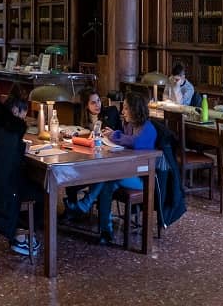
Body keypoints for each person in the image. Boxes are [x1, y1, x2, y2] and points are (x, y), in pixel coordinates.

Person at [64, 90, 156, 243]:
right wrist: (118, 135)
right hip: (125, 171)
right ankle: (105, 231)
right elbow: (126, 139)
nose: (123, 111)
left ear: (135, 109)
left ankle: (87, 207)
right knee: (107, 181)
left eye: (126, 108)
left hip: (142, 177)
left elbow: (135, 143)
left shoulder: (148, 128)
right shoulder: (129, 126)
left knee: (108, 177)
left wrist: (116, 136)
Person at [0, 93, 44, 256]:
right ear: (14, 110)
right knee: (42, 192)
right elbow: (11, 160)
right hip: (5, 192)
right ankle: (23, 235)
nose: (23, 119)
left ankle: (23, 231)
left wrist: (20, 147)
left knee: (34, 184)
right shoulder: (11, 130)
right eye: (22, 115)